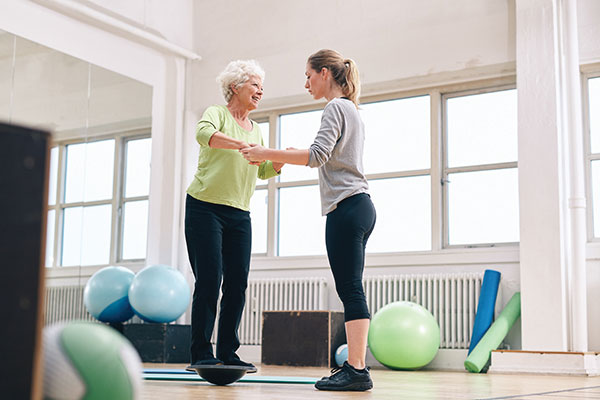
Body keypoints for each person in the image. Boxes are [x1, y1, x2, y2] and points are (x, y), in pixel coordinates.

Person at [240, 49, 376, 391]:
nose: (306, 83)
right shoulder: (352, 110)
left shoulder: (336, 107)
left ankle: (357, 369)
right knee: (351, 288)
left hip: (347, 208)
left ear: (326, 73)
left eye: (309, 75)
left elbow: (317, 156)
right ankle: (357, 368)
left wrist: (265, 152)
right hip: (359, 206)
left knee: (349, 289)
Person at [185, 60, 283, 372]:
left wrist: (279, 161)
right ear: (235, 87)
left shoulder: (258, 129)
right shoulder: (217, 113)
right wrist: (240, 144)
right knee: (210, 280)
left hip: (239, 213)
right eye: (254, 84)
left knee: (237, 283)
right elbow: (204, 135)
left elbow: (263, 169)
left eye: (261, 85)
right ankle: (201, 351)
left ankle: (228, 350)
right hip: (205, 207)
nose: (260, 90)